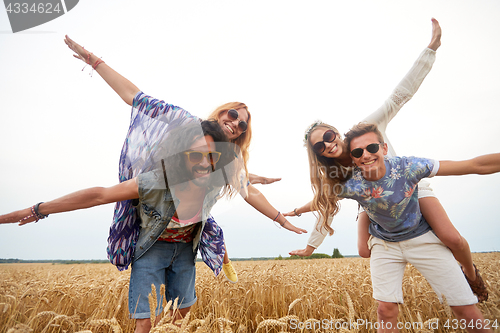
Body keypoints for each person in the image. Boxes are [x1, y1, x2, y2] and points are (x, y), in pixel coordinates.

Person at [63, 36, 302, 284]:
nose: (235, 123)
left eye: (242, 125)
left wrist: (280, 218)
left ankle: (224, 262)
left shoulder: (231, 158)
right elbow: (134, 96)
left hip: (190, 214)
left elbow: (246, 190)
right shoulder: (187, 122)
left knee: (210, 226)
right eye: (233, 114)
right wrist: (93, 60)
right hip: (156, 200)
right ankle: (220, 261)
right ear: (221, 112)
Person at [285, 18, 487, 302]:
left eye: (329, 135)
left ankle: (469, 272)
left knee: (452, 239)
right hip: (372, 203)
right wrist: (310, 245)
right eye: (320, 146)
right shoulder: (336, 176)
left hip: (408, 185)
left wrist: (430, 50)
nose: (328, 144)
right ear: (317, 154)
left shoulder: (367, 129)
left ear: (336, 131)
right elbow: (325, 205)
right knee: (364, 250)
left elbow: (399, 96)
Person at [0, 120, 242, 330]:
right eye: (196, 154)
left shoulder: (214, 182)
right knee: (146, 323)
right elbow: (100, 195)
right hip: (151, 249)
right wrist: (38, 209)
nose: (204, 163)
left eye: (212, 156)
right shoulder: (156, 181)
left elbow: (234, 195)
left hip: (185, 253)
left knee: (178, 320)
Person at [334, 122, 498, 332]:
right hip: (385, 241)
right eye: (358, 152)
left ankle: (470, 272)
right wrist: (291, 213)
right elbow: (323, 201)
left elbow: (473, 165)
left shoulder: (408, 167)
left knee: (464, 307)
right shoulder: (353, 183)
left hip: (419, 231)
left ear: (384, 148)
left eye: (372, 148)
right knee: (384, 310)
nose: (365, 154)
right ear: (353, 158)